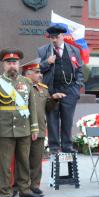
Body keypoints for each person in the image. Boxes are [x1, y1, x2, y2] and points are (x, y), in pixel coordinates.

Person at [0, 49, 43, 197]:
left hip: (24, 129)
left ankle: (24, 189)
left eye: (15, 63)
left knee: (24, 161)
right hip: (5, 129)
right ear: (4, 65)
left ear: (19, 65)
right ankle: (5, 192)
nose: (12, 66)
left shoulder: (27, 82)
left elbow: (32, 106)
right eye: (9, 63)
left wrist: (34, 128)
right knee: (5, 164)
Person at [21, 59, 66, 195]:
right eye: (37, 72)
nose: (40, 75)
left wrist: (54, 99)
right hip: (22, 129)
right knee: (22, 160)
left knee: (36, 160)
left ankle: (34, 185)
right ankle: (21, 186)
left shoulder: (43, 88)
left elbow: (48, 107)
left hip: (39, 129)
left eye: (40, 72)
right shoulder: (20, 88)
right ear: (27, 74)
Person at [37, 24, 84, 153]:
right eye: (51, 37)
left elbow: (79, 69)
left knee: (67, 119)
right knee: (52, 119)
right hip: (52, 89)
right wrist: (47, 62)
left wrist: (78, 85)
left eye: (56, 37)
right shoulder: (43, 51)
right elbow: (36, 69)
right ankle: (54, 147)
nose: (54, 40)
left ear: (62, 36)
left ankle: (67, 146)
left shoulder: (74, 50)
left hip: (70, 90)